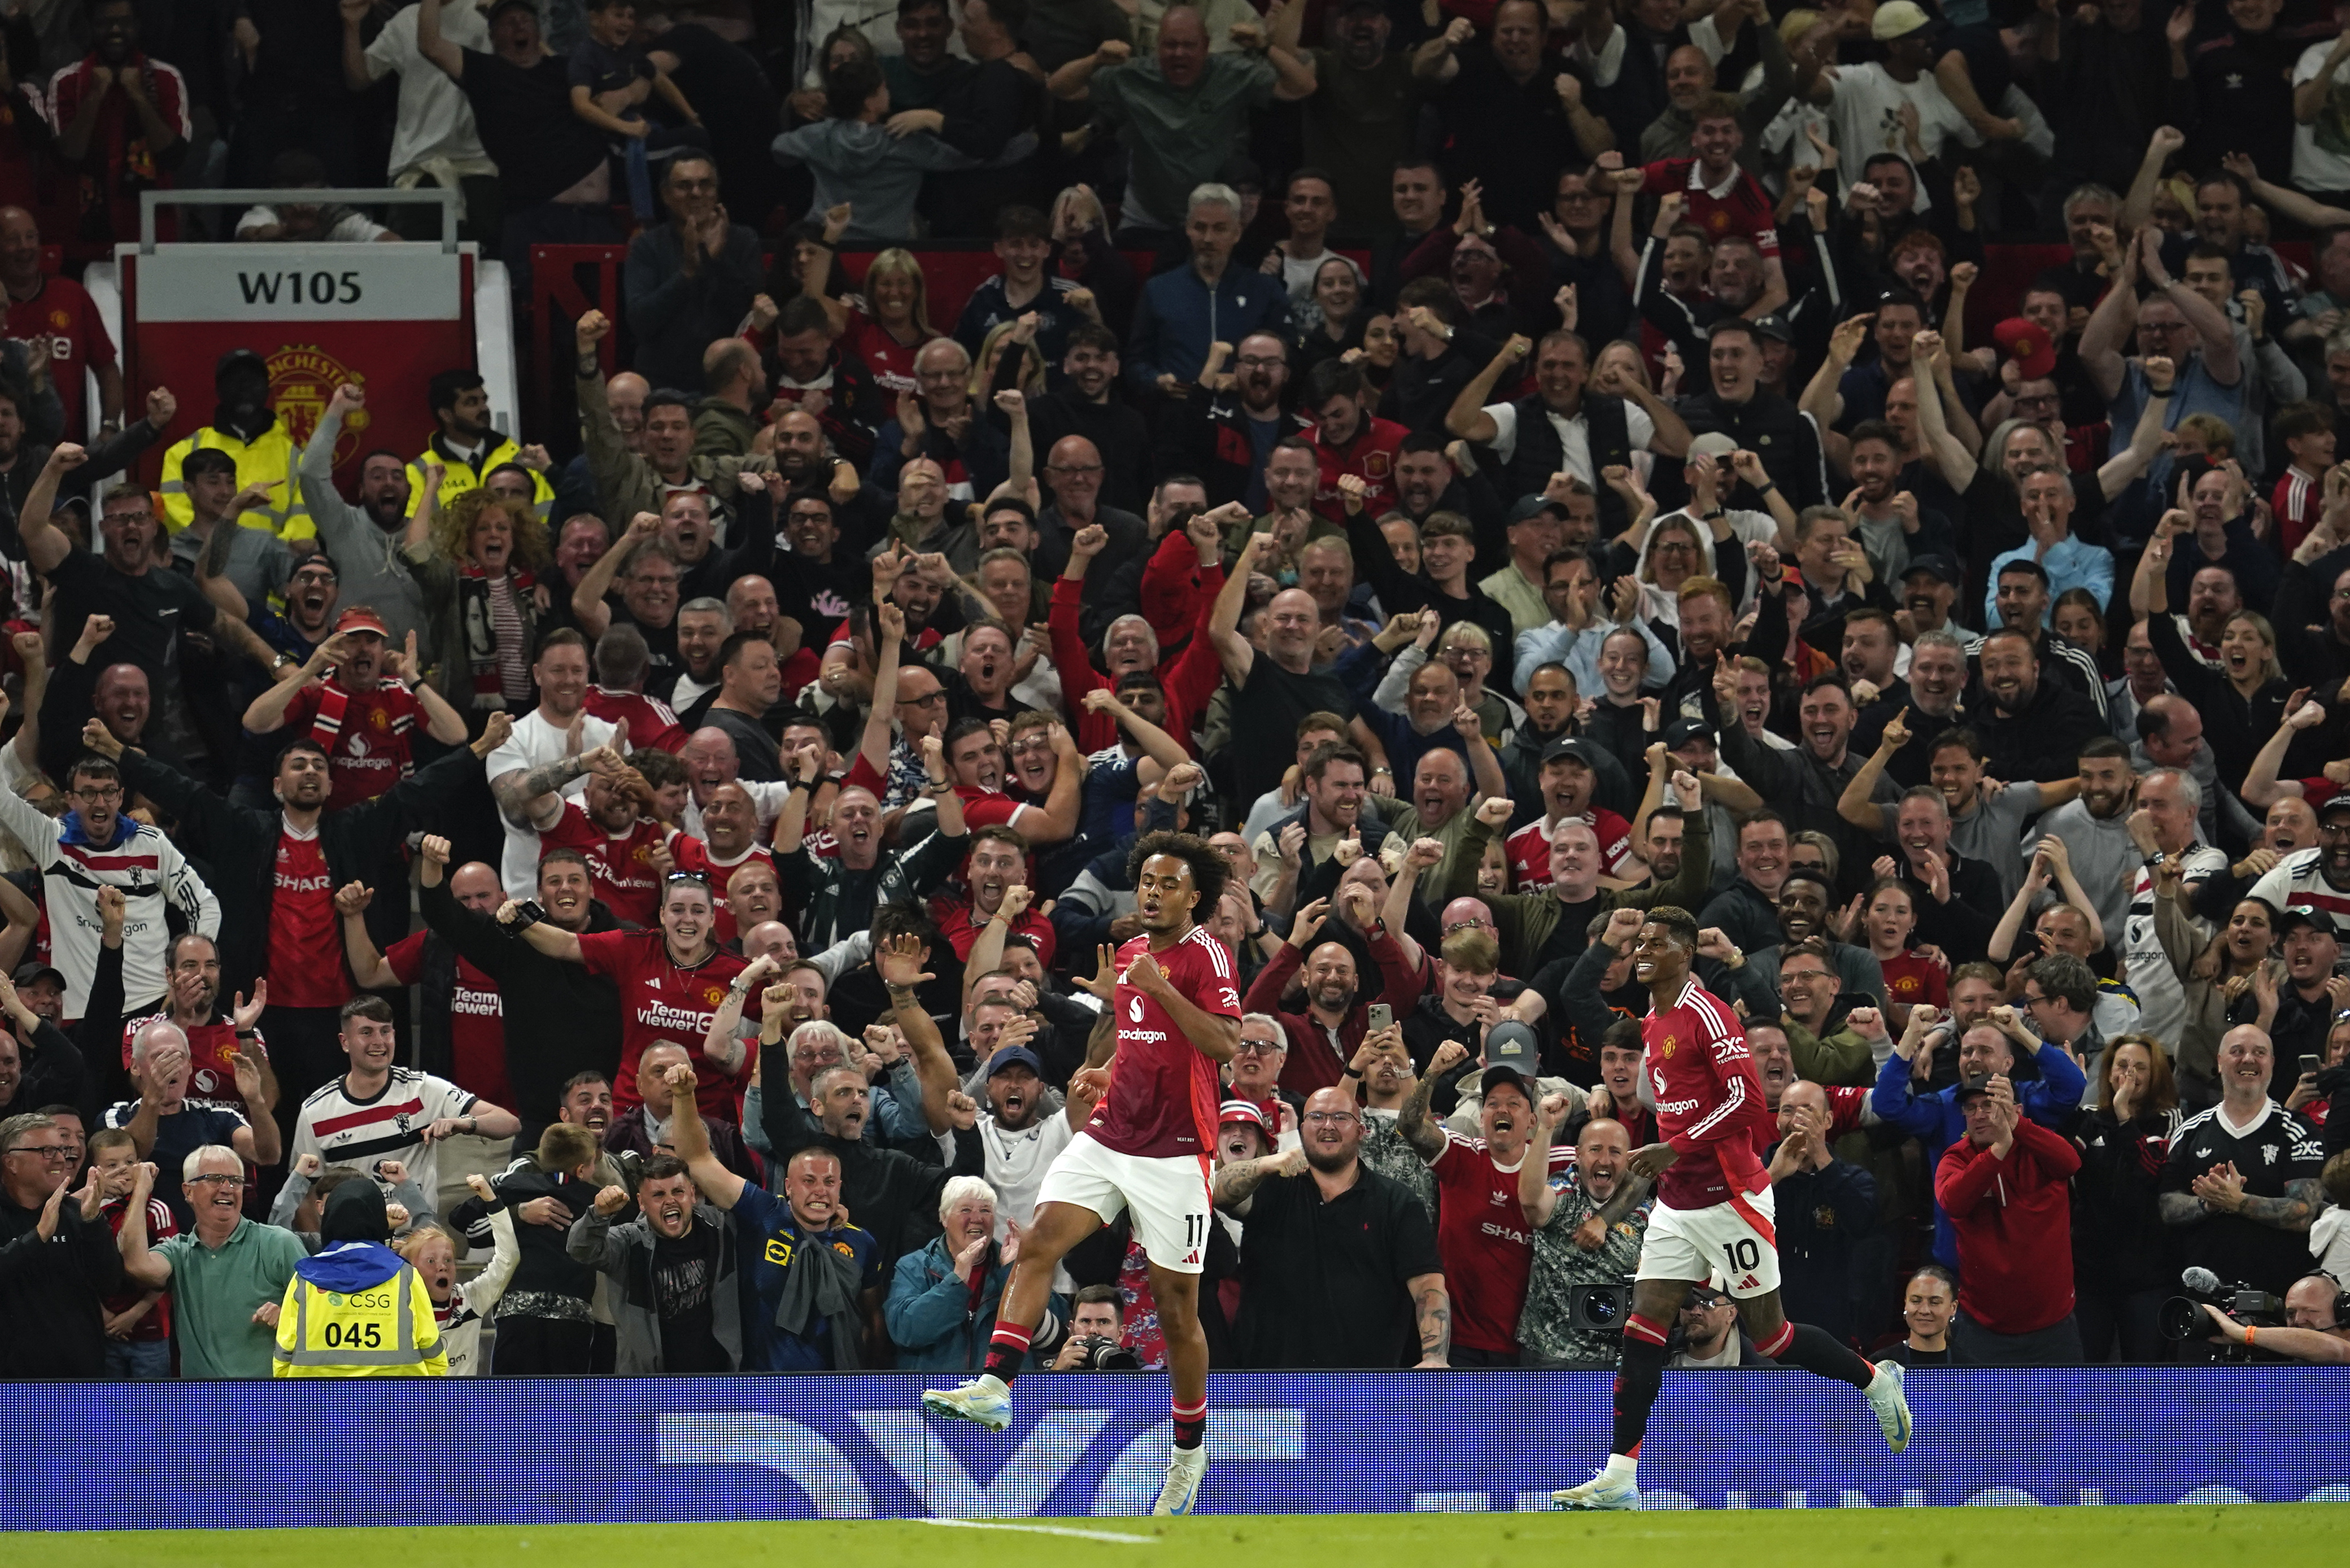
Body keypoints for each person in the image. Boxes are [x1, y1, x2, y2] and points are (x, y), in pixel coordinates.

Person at [922, 831, 1241, 1516]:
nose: (1152, 892)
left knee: (1177, 1308)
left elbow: (1224, 1043)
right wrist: (1109, 1066)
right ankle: (997, 1384)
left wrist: (1160, 987)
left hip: (1178, 1151)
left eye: (1169, 884)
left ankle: (1189, 1449)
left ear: (1197, 897)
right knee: (1037, 1239)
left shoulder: (1206, 955)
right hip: (1112, 1134)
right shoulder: (1128, 953)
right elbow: (1137, 1039)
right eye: (1146, 881)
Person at [1551, 907, 1909, 1510]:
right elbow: (1581, 997)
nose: (1643, 951)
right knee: (1643, 1328)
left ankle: (1875, 1379)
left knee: (1771, 1337)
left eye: (1656, 943)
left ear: (1686, 952)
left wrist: (1675, 1145)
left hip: (1730, 1197)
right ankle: (1619, 1474)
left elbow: (1747, 1104)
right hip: (1678, 1202)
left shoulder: (1706, 1013)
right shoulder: (1654, 1018)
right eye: (1639, 942)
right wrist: (1652, 1171)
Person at [1211, 1084, 1447, 1369]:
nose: (1328, 1126)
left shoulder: (1397, 1202)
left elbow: (1427, 1284)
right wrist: (1265, 1164)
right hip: (1270, 1384)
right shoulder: (1271, 1188)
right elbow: (1218, 1191)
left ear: (1362, 1132)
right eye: (1317, 1117)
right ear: (1301, 1128)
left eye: (1341, 1117)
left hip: (1365, 1386)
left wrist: (1435, 1356)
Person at [111, 1143, 308, 1377]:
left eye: (235, 1180)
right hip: (202, 1405)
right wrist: (141, 1191)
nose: (228, 1188)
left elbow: (321, 1314)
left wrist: (288, 1316)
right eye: (215, 1179)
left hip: (265, 1402)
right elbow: (137, 1266)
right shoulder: (179, 1251)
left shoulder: (279, 1243)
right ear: (188, 1191)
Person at [1935, 1075, 2083, 1364]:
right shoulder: (1956, 1158)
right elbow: (1954, 1202)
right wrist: (1999, 1149)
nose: (1979, 1115)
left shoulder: (2039, 1147)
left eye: (1989, 1105)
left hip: (2054, 1325)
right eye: (1971, 1108)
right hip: (1983, 1328)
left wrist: (2017, 1130)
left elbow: (2071, 1162)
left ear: (2016, 1110)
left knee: (2064, 1411)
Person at [566, 1152, 742, 1374]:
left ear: (692, 1193)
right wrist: (598, 1216)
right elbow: (581, 1249)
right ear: (641, 1202)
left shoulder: (720, 1229)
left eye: (678, 1192)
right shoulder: (628, 1243)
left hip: (718, 1381)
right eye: (658, 1195)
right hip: (647, 1389)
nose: (670, 1201)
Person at [1518, 1098, 1650, 1370]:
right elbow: (1532, 1203)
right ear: (1578, 1155)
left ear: (1628, 1159)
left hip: (1617, 1360)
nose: (1604, 1160)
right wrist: (1545, 1129)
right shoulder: (1566, 1190)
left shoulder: (1644, 1211)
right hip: (1552, 1356)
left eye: (1615, 1152)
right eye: (1595, 1150)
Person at [269, 1178, 447, 1377]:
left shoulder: (303, 1280)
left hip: (319, 1404)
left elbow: (283, 1359)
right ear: (379, 1219)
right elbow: (434, 1354)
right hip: (396, 1404)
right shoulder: (406, 1277)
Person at [1881, 1265, 1966, 1366]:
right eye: (1916, 1301)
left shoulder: (1970, 1368)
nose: (1924, 1310)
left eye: (1934, 1302)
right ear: (1906, 1304)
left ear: (1953, 1308)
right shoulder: (1881, 1365)